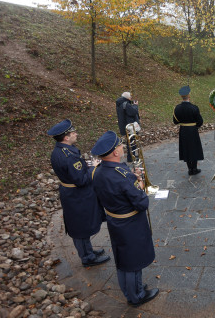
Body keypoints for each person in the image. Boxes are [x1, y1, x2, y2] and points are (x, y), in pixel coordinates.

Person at [91, 131, 159, 307]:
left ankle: (129, 290)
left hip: (115, 220)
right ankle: (137, 295)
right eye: (120, 145)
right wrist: (140, 185)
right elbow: (142, 203)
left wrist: (131, 178)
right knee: (133, 262)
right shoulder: (123, 176)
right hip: (131, 224)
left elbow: (112, 188)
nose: (122, 147)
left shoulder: (98, 171)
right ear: (115, 152)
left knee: (122, 259)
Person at [47, 119, 110, 268]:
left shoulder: (61, 150)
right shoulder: (68, 155)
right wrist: (93, 168)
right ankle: (87, 257)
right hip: (77, 195)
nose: (76, 133)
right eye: (73, 132)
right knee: (80, 227)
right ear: (66, 137)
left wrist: (86, 166)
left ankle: (88, 251)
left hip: (73, 193)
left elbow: (75, 172)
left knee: (82, 224)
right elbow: (81, 179)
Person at [172, 85, 204, 176]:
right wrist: (195, 126)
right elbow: (200, 121)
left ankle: (190, 169)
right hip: (193, 130)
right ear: (189, 96)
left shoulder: (177, 108)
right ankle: (194, 168)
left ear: (181, 97)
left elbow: (175, 121)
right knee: (194, 149)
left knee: (186, 148)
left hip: (183, 130)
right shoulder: (194, 107)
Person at [116, 92, 140, 162]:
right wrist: (135, 105)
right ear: (127, 98)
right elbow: (133, 112)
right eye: (130, 97)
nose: (131, 98)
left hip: (125, 126)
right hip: (130, 127)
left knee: (129, 142)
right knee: (132, 142)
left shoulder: (120, 104)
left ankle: (131, 157)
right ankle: (132, 157)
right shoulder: (126, 104)